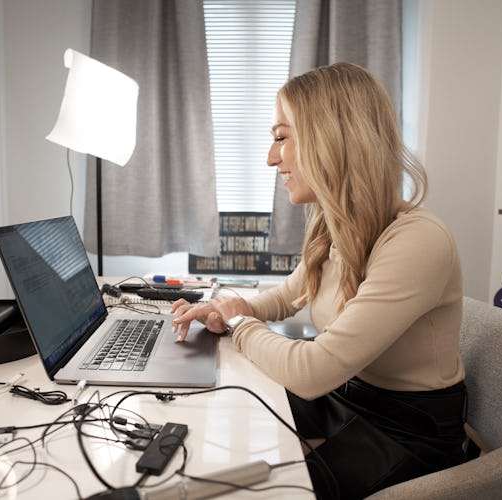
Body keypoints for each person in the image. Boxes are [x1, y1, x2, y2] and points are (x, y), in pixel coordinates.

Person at [171, 62, 467, 499]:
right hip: (347, 396)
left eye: (281, 138)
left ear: (331, 139)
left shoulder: (418, 241)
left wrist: (240, 324)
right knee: (220, 425)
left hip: (408, 429)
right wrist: (234, 309)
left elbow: (312, 372)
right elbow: (290, 295)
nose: (271, 158)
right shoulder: (338, 225)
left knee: (269, 490)